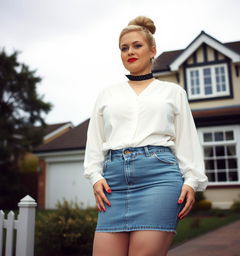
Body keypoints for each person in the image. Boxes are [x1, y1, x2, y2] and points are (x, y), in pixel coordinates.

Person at [83, 16, 208, 256]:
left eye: (137, 45)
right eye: (124, 48)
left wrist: (192, 181)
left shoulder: (173, 92)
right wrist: (95, 176)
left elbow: (186, 139)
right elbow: (95, 140)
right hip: (114, 185)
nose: (130, 51)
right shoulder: (107, 94)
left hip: (159, 179)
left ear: (152, 50)